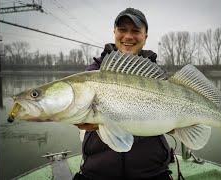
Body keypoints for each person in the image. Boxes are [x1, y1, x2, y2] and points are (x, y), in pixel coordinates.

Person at [73, 7, 174, 180]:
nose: (128, 36)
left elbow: (173, 125)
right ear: (114, 32)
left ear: (145, 37)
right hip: (98, 172)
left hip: (152, 172)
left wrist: (176, 125)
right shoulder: (94, 72)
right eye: (122, 30)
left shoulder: (157, 76)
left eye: (136, 31)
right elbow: (77, 112)